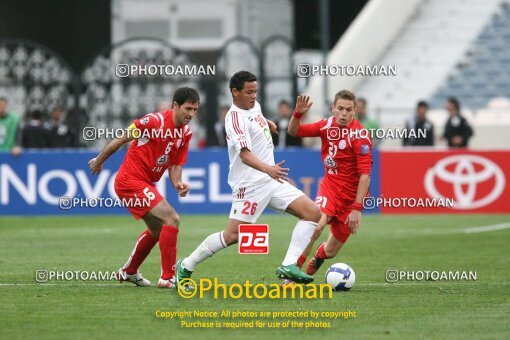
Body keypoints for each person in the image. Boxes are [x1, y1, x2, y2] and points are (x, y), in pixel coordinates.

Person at [176, 71, 322, 285]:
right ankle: (187, 264)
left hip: (270, 181)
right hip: (250, 185)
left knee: (313, 213)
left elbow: (255, 116)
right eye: (249, 92)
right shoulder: (233, 118)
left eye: (256, 91)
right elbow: (244, 155)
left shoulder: (253, 105)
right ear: (235, 92)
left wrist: (267, 123)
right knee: (232, 236)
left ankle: (288, 265)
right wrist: (269, 169)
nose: (254, 96)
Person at [88, 87, 199, 288]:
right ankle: (167, 278)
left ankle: (129, 271)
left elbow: (175, 164)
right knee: (171, 218)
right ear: (175, 105)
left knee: (158, 231)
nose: (191, 114)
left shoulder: (186, 133)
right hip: (129, 181)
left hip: (145, 183)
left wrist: (177, 183)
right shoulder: (153, 121)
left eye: (195, 110)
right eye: (188, 108)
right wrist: (99, 160)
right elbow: (122, 138)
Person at [288, 90, 372, 275]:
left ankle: (318, 256)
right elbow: (294, 131)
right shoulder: (325, 125)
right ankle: (293, 271)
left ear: (355, 111)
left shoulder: (361, 136)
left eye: (348, 110)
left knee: (330, 251)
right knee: (316, 225)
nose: (344, 114)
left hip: (351, 200)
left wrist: (357, 209)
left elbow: (365, 176)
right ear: (333, 108)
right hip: (331, 188)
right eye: (340, 108)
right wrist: (298, 114)